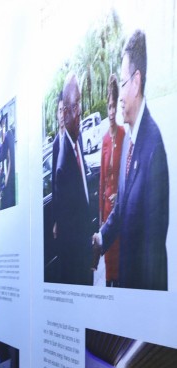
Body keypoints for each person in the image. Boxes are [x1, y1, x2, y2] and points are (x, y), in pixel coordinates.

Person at [93, 29, 169, 291]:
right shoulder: (130, 142)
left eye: (123, 84)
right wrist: (101, 236)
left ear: (136, 83)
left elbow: (153, 253)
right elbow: (122, 207)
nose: (120, 97)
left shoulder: (153, 148)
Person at [48, 73, 95, 285]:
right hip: (76, 250)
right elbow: (58, 191)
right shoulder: (60, 151)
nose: (79, 112)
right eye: (73, 107)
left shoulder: (77, 139)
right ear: (64, 112)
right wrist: (58, 221)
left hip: (85, 240)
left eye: (79, 105)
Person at [97, 74, 125, 286]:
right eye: (109, 107)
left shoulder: (125, 134)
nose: (113, 111)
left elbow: (128, 171)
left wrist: (121, 195)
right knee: (109, 268)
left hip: (121, 211)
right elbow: (101, 182)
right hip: (107, 211)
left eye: (115, 106)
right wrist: (100, 216)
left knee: (122, 265)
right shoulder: (105, 140)